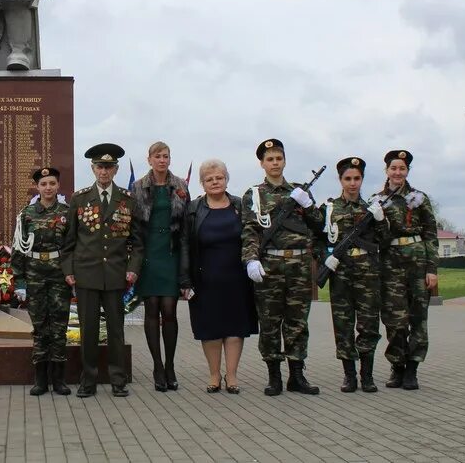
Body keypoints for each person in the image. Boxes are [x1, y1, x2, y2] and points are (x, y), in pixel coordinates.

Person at [240, 138, 325, 396]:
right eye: (270, 159)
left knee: (297, 321)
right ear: (262, 164)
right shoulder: (253, 194)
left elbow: (319, 225)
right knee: (270, 321)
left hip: (299, 263)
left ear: (285, 161)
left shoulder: (300, 191)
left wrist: (308, 205)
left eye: (279, 158)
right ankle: (274, 376)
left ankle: (297, 375)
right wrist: (250, 259)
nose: (275, 163)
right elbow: (250, 230)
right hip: (270, 264)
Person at [61, 143, 144, 398]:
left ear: (116, 169)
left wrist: (133, 269)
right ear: (93, 168)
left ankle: (118, 380)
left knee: (116, 331)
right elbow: (69, 241)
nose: (104, 172)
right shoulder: (80, 198)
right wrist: (69, 270)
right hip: (86, 273)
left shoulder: (128, 200)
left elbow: (138, 242)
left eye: (108, 167)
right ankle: (88, 381)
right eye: (100, 167)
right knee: (88, 331)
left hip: (116, 274)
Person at [179, 159, 257, 394]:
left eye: (219, 178)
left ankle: (232, 376)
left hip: (237, 278)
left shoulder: (239, 205)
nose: (215, 182)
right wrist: (184, 280)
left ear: (226, 179)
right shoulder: (193, 209)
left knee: (235, 329)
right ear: (202, 183)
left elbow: (252, 235)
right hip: (205, 279)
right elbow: (183, 245)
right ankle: (214, 375)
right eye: (209, 179)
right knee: (210, 329)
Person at [319, 157, 387, 393]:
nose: (352, 183)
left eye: (357, 178)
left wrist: (380, 221)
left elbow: (385, 241)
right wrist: (324, 257)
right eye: (348, 178)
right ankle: (349, 376)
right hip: (341, 273)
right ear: (340, 180)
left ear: (362, 180)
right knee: (343, 324)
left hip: (367, 273)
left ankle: (367, 376)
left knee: (368, 324)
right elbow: (317, 238)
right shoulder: (329, 209)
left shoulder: (371, 209)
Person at [373, 150, 438, 390]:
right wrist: (378, 220)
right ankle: (397, 366)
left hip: (417, 263)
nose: (397, 172)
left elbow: (431, 234)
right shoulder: (377, 200)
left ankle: (412, 369)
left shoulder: (419, 198)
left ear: (407, 171)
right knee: (394, 320)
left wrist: (432, 269)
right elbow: (375, 238)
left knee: (418, 318)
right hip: (390, 264)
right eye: (393, 168)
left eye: (402, 168)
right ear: (387, 171)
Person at [129, 142, 190, 391]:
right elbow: (132, 226)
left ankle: (170, 366)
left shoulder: (180, 186)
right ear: (149, 159)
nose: (162, 160)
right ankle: (157, 366)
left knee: (170, 310)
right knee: (152, 309)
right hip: (148, 253)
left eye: (166, 156)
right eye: (158, 156)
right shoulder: (138, 187)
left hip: (171, 253)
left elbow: (186, 224)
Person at [13, 167, 72, 396]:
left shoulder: (67, 212)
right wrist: (19, 281)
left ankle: (59, 379)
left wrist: (72, 274)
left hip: (59, 275)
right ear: (37, 187)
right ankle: (40, 380)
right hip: (35, 275)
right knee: (39, 328)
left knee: (59, 327)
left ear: (58, 186)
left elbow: (72, 246)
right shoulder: (27, 214)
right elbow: (18, 249)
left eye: (52, 183)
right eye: (44, 184)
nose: (48, 188)